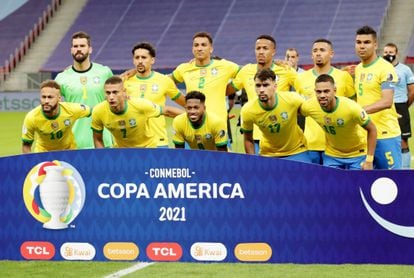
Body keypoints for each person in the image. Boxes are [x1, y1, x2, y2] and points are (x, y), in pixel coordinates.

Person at [227, 34, 297, 152]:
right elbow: (226, 90)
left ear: (273, 51)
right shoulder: (246, 71)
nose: (261, 52)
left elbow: (306, 87)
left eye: (265, 48)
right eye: (258, 48)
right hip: (253, 133)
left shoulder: (285, 70)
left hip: (280, 135)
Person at [294, 38, 356, 164]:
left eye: (322, 50)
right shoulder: (301, 79)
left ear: (331, 54)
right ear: (311, 55)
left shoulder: (344, 77)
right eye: (315, 51)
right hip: (311, 144)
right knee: (313, 182)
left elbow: (353, 106)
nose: (318, 53)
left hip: (337, 146)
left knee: (334, 183)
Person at [300, 74, 377, 170]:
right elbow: (293, 112)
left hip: (357, 154)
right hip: (332, 155)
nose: (322, 95)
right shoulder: (309, 106)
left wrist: (369, 160)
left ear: (335, 91)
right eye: (319, 92)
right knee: (331, 184)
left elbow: (372, 129)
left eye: (326, 91)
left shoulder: (351, 108)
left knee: (356, 185)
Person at [55, 31, 113, 149]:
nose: (79, 49)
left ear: (90, 49)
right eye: (75, 46)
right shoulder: (61, 78)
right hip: (74, 143)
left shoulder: (104, 72)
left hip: (103, 141)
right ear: (71, 50)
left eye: (82, 46)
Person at [171, 32, 240, 130]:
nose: (199, 48)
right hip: (192, 126)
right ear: (192, 49)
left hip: (217, 126)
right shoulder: (184, 68)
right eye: (196, 45)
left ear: (211, 49)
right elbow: (166, 82)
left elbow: (245, 75)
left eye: (203, 45)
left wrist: (228, 89)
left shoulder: (224, 66)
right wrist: (182, 100)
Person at [354, 25, 401, 169]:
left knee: (393, 182)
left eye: (366, 42)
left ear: (375, 45)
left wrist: (359, 111)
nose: (362, 46)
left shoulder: (385, 68)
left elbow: (387, 101)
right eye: (359, 42)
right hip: (364, 135)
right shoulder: (358, 68)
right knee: (366, 184)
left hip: (385, 134)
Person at [91, 76, 183, 148]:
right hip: (121, 152)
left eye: (115, 92)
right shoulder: (99, 111)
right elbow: (97, 139)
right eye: (108, 93)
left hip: (147, 149)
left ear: (124, 92)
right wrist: (101, 159)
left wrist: (189, 116)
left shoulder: (140, 105)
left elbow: (167, 111)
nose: (111, 97)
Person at [124, 42, 185, 147]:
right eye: (137, 58)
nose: (140, 61)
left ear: (152, 60)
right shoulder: (125, 81)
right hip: (132, 142)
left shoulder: (164, 81)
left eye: (144, 57)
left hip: (158, 141)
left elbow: (185, 104)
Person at [240, 68, 310, 162]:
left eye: (265, 85)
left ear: (275, 86)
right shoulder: (248, 110)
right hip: (268, 154)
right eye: (258, 85)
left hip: (297, 151)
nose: (261, 90)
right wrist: (253, 162)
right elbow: (248, 140)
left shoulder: (292, 99)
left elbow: (312, 109)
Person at [22, 80, 91, 153]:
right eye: (43, 97)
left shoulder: (71, 110)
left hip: (69, 151)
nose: (46, 101)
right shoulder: (32, 117)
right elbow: (26, 145)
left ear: (59, 98)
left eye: (50, 97)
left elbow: (93, 111)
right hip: (43, 153)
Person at [383, 42, 414, 169]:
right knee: (384, 139)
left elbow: (412, 91)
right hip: (384, 107)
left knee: (403, 140)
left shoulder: (405, 70)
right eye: (385, 52)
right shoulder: (381, 69)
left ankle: (405, 170)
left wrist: (405, 106)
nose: (388, 54)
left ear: (396, 53)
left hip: (400, 105)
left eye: (390, 52)